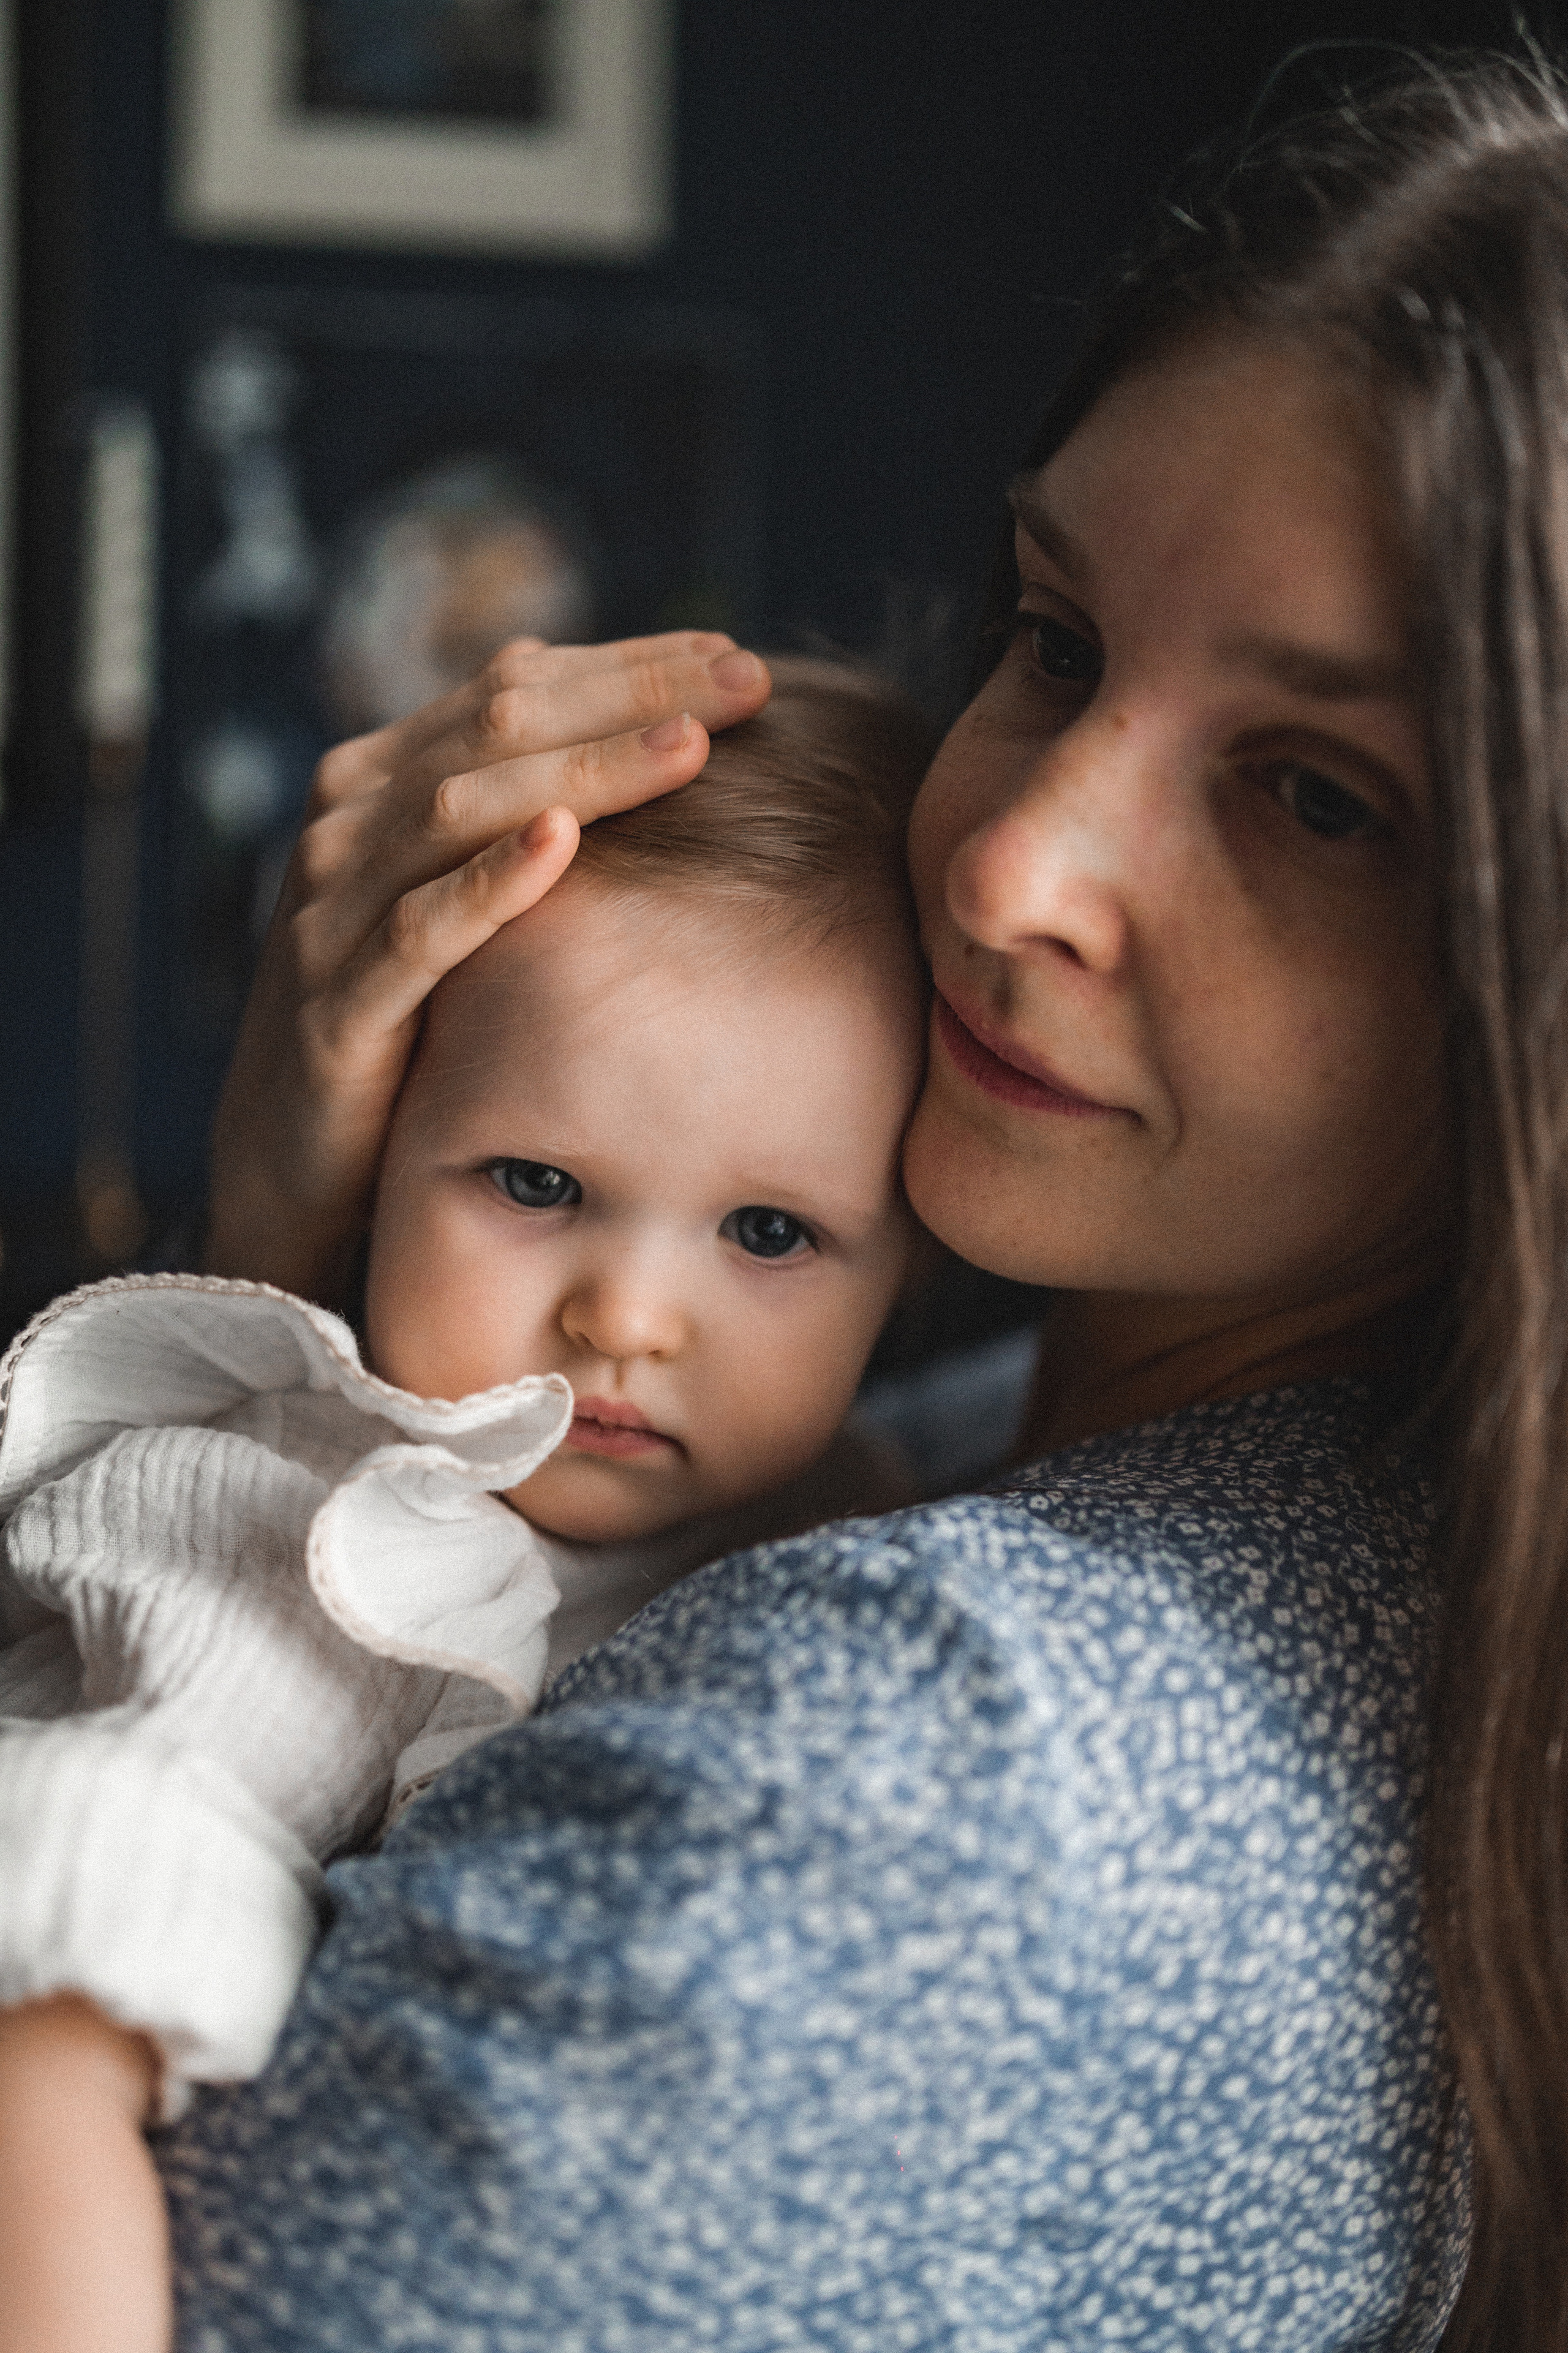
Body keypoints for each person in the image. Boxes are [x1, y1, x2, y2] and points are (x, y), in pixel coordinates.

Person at [14, 40, 1568, 2349]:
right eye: (1056, 643)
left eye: (1316, 798)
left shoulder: (936, 1763)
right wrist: (311, 1291)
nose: (1016, 858)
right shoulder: (946, 1464)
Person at [0, 661, 938, 2353]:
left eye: (772, 1234)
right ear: (378, 1140)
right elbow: (49, 1974)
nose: (629, 1318)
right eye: (537, 1183)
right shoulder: (336, 1536)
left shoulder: (852, 1502)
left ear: (915, 1254)